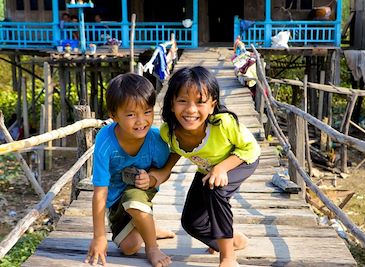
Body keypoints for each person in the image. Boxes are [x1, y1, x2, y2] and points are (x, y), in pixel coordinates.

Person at [150, 66, 261, 267]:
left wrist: (222, 168)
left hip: (242, 159)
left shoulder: (223, 123)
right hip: (208, 168)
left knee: (216, 189)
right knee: (192, 223)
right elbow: (177, 149)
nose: (191, 109)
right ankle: (232, 239)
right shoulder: (169, 131)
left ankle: (228, 257)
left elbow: (250, 148)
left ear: (212, 105)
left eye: (200, 102)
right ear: (172, 104)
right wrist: (163, 172)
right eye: (182, 101)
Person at [85, 73, 174, 267]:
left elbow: (165, 171)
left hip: (140, 190)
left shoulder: (156, 140)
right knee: (129, 247)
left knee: (134, 199)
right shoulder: (105, 141)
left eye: (147, 112)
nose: (141, 121)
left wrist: (152, 179)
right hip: (115, 199)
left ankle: (152, 246)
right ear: (114, 115)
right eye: (131, 114)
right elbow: (100, 191)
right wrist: (99, 236)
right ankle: (149, 226)